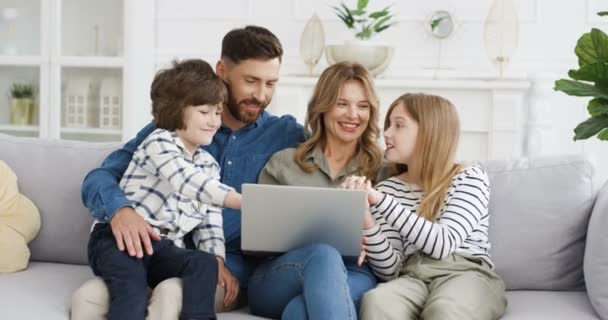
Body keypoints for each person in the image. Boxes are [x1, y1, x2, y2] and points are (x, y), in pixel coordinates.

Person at [71, 26, 306, 319]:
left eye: (271, 83)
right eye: (251, 81)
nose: (260, 95)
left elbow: (330, 156)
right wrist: (120, 210)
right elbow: (99, 178)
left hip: (207, 262)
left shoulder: (284, 133)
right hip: (148, 246)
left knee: (172, 293)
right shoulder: (170, 130)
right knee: (90, 298)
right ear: (222, 71)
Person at [86, 58, 244, 320]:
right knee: (132, 288)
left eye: (217, 113)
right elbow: (187, 181)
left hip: (162, 247)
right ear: (177, 110)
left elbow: (209, 220)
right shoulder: (159, 142)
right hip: (118, 241)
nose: (214, 121)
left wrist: (217, 259)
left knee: (204, 263)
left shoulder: (208, 165)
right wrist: (239, 200)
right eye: (204, 112)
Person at [342, 93, 507, 320]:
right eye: (388, 124)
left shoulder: (468, 177)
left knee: (445, 309)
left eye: (398, 125)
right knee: (377, 301)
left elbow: (443, 243)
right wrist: (366, 218)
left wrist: (379, 200)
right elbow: (390, 270)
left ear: (429, 133)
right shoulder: (390, 188)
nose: (386, 133)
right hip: (412, 275)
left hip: (466, 272)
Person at [252, 61, 383, 319]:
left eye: (363, 106)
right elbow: (257, 242)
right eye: (342, 103)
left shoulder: (381, 169)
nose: (353, 115)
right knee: (323, 254)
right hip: (280, 273)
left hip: (355, 272)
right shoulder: (284, 162)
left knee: (298, 312)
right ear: (322, 106)